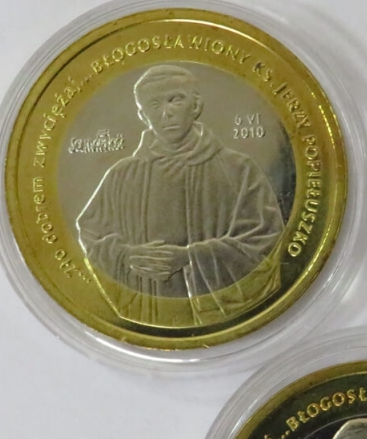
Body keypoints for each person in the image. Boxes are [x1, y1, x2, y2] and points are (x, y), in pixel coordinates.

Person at [76, 64, 285, 327]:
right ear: (142, 115)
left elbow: (265, 241)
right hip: (147, 312)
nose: (166, 113)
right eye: (154, 104)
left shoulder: (238, 170)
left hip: (216, 316)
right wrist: (126, 257)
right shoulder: (121, 176)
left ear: (196, 106)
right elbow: (91, 236)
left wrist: (189, 257)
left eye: (176, 99)